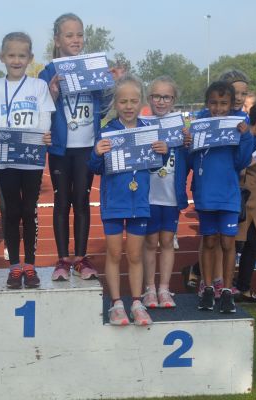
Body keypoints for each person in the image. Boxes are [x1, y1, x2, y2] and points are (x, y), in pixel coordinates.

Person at [89, 75, 168, 326]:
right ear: (115, 103)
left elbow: (155, 166)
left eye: (134, 101)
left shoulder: (148, 130)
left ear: (141, 101)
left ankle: (136, 302)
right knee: (114, 254)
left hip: (139, 203)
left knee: (135, 255)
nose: (129, 106)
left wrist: (163, 153)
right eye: (123, 101)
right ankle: (116, 303)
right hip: (113, 203)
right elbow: (95, 168)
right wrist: (96, 153)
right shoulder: (107, 130)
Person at [39, 12, 109, 281]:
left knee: (81, 200)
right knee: (61, 201)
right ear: (57, 40)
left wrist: (110, 84)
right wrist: (53, 93)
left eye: (80, 34)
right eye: (69, 35)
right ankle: (61, 259)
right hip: (60, 148)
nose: (76, 39)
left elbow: (103, 107)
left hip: (86, 146)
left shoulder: (93, 68)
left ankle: (80, 258)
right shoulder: (47, 72)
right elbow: (41, 111)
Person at [0, 32, 55, 289]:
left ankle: (30, 264)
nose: (16, 60)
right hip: (5, 159)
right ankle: (14, 265)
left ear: (30, 58)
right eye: (11, 55)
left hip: (31, 159)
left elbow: (45, 118)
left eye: (21, 56)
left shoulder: (38, 86)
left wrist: (44, 135)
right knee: (11, 211)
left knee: (29, 210)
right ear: (2, 57)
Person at [189, 81, 253, 313]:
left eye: (223, 103)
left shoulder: (238, 126)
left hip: (228, 194)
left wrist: (245, 138)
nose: (218, 108)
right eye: (213, 103)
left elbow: (241, 162)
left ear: (231, 104)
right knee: (209, 241)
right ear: (207, 103)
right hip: (206, 194)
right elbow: (191, 160)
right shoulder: (200, 125)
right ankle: (207, 288)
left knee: (228, 243)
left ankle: (226, 290)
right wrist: (188, 142)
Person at [141, 77, 190, 308]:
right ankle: (149, 289)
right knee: (151, 242)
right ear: (149, 98)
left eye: (166, 97)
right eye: (156, 96)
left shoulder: (180, 128)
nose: (161, 101)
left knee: (168, 241)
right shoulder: (141, 124)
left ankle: (164, 288)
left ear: (173, 100)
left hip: (171, 195)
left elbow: (188, 161)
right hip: (149, 195)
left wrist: (187, 144)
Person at [235, 100, 256, 303]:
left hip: (254, 200)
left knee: (253, 242)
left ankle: (242, 287)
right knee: (233, 243)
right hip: (240, 197)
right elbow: (240, 165)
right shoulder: (245, 137)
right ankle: (197, 270)